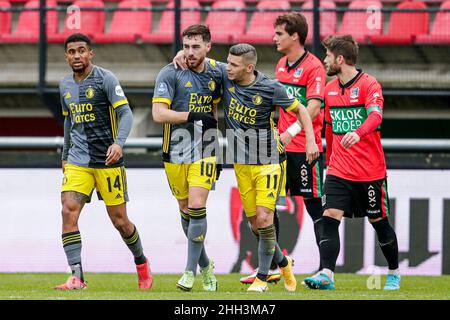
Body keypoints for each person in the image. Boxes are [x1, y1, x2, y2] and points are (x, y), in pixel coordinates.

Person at [56, 33, 153, 290]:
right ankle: (77, 276)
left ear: (91, 53)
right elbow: (69, 121)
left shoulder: (105, 79)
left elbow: (126, 113)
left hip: (108, 161)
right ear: (66, 56)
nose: (77, 56)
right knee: (68, 210)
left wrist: (118, 143)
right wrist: (65, 155)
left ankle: (142, 263)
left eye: (81, 51)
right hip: (78, 160)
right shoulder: (64, 85)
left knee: (120, 221)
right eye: (72, 52)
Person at [303, 35, 401, 290]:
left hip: (370, 171)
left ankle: (393, 272)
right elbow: (329, 128)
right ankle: (326, 274)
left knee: (379, 222)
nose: (324, 60)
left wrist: (358, 132)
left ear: (340, 59)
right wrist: (328, 158)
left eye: (327, 56)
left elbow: (376, 116)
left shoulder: (370, 85)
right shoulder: (329, 89)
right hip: (339, 169)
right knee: (329, 216)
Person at [222, 44, 319, 292]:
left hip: (269, 161)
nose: (228, 67)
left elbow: (302, 111)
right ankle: (284, 264)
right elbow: (202, 63)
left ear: (249, 67)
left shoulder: (270, 87)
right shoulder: (225, 76)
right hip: (241, 163)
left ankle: (262, 279)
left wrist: (309, 140)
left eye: (233, 64)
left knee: (265, 220)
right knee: (255, 224)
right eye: (228, 63)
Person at [240, 12, 327, 285]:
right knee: (269, 208)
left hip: (303, 147)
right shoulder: (280, 65)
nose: (274, 38)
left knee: (314, 206)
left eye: (279, 34)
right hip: (279, 148)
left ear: (295, 36)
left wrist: (292, 132)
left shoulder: (314, 67)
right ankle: (273, 266)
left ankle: (326, 270)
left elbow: (311, 107)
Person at [152, 25, 223, 292]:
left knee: (196, 206)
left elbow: (242, 68)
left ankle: (189, 271)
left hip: (205, 149)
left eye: (196, 46)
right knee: (185, 211)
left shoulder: (218, 71)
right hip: (175, 151)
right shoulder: (170, 72)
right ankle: (206, 266)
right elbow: (159, 114)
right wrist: (191, 116)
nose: (190, 52)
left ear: (208, 46)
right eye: (186, 46)